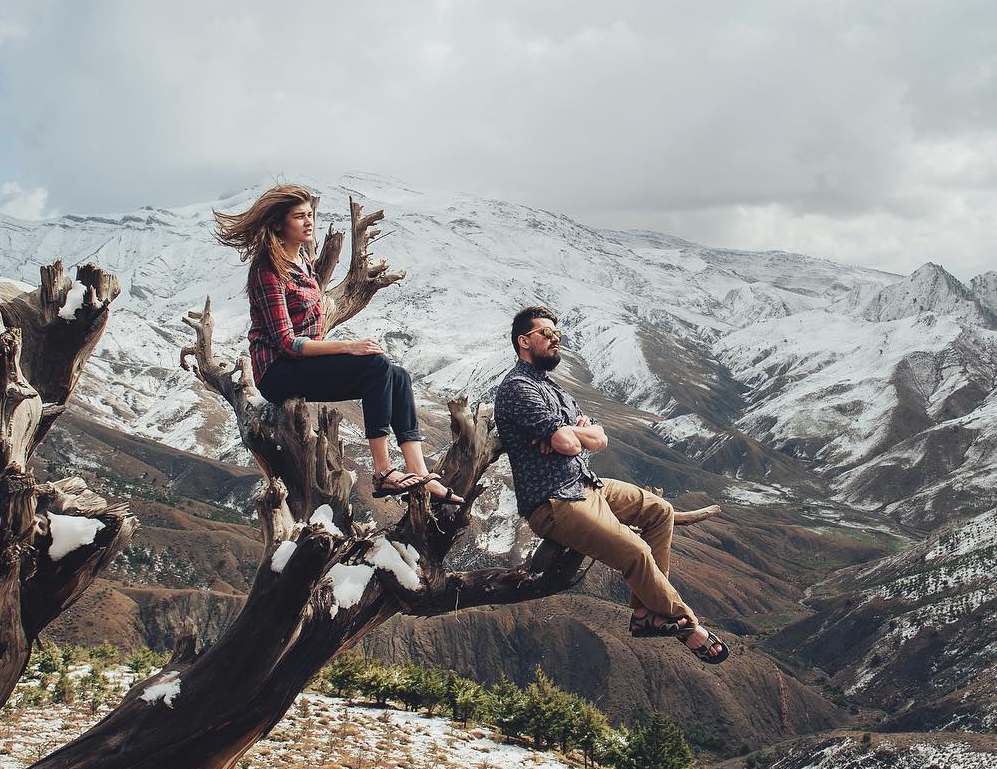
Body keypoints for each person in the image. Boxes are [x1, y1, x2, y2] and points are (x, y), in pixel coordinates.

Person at [493, 305, 728, 664]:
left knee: (659, 510)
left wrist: (569, 432)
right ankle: (687, 624)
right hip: (554, 502)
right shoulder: (517, 388)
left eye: (559, 335)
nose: (557, 341)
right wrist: (572, 434)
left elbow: (599, 438)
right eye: (547, 334)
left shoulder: (552, 388)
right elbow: (571, 444)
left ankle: (644, 613)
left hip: (587, 484)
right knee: (635, 553)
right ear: (524, 341)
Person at [214, 184, 462, 504]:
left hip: (301, 365)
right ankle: (383, 472)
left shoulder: (302, 258)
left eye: (310, 215)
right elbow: (287, 343)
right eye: (299, 217)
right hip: (276, 372)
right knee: (375, 366)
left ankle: (419, 473)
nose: (309, 222)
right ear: (278, 224)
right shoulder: (267, 271)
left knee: (397, 375)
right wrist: (347, 347)